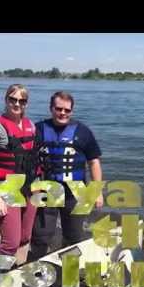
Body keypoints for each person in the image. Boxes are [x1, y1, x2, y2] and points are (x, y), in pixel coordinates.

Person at [30, 91, 103, 259]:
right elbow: (28, 160)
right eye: (58, 109)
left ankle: (70, 278)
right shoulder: (39, 129)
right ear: (51, 109)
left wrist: (97, 191)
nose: (63, 113)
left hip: (77, 191)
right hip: (47, 189)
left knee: (75, 237)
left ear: (71, 111)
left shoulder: (83, 131)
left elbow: (94, 162)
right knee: (41, 235)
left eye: (67, 110)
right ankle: (37, 274)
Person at [0, 84, 39, 265]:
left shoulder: (31, 125)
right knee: (10, 242)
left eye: (22, 100)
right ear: (6, 100)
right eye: (12, 99)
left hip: (28, 188)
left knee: (24, 238)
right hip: (3, 188)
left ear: (26, 104)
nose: (17, 104)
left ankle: (17, 271)